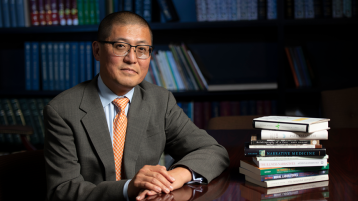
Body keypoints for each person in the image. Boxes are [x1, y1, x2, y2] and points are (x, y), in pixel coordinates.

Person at [44, 11, 229, 201]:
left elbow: (213, 151)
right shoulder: (62, 110)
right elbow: (62, 190)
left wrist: (172, 178)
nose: (132, 58)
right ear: (97, 51)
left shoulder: (160, 100)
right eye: (121, 46)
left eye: (142, 49)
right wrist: (127, 187)